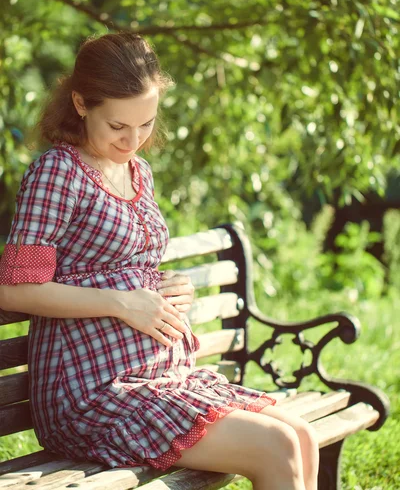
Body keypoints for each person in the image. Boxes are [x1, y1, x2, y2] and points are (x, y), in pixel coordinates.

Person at [0, 32, 319, 490]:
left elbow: (127, 265)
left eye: (146, 123)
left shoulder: (138, 172)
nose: (133, 140)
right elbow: (16, 289)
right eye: (118, 127)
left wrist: (168, 288)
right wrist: (122, 303)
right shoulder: (58, 172)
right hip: (94, 390)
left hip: (162, 376)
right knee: (274, 446)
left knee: (300, 436)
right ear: (81, 103)